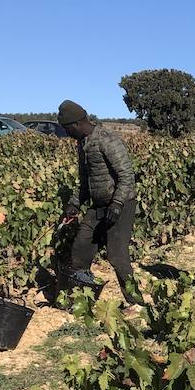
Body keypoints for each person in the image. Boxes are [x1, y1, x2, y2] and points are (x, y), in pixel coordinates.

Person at [57, 100, 139, 310]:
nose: (66, 134)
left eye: (67, 129)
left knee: (117, 254)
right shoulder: (82, 144)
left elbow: (126, 176)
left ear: (76, 124)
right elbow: (86, 181)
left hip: (121, 204)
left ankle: (135, 302)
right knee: (81, 247)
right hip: (98, 206)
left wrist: (118, 204)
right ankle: (82, 299)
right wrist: (74, 203)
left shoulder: (107, 140)